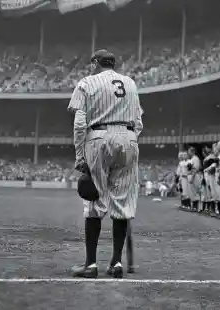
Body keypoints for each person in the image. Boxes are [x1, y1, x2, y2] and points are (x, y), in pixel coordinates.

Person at [68, 49, 143, 279]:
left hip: (99, 137)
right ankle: (116, 263)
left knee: (94, 202)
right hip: (128, 137)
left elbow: (80, 123)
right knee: (122, 203)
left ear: (95, 62)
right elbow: (139, 122)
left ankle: (91, 265)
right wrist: (128, 140)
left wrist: (80, 155)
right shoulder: (130, 83)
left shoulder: (87, 82)